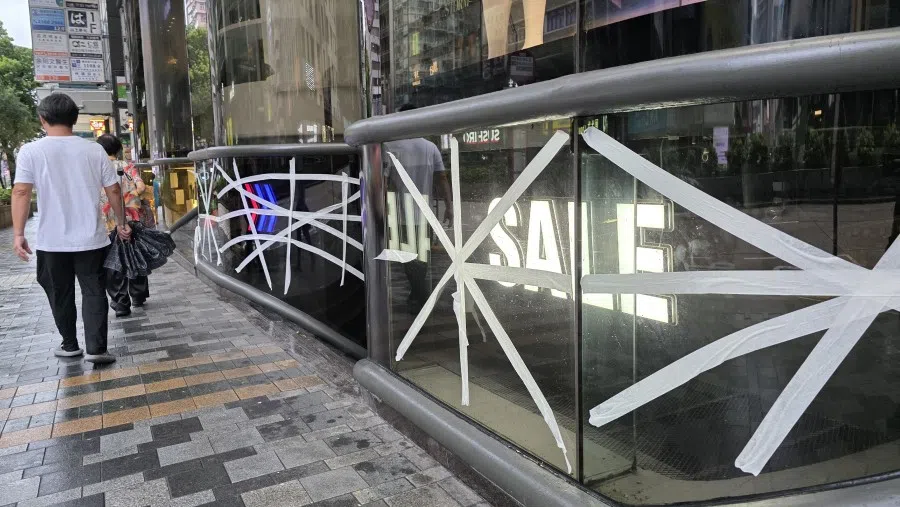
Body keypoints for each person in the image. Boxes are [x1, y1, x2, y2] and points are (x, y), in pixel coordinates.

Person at [11, 94, 130, 364]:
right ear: (75, 119)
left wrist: (19, 234)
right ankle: (97, 349)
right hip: (91, 238)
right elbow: (113, 189)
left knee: (58, 291)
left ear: (42, 119)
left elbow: (20, 191)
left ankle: (69, 345)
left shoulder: (31, 151)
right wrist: (121, 223)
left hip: (51, 241)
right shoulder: (94, 150)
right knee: (93, 291)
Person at [384, 104, 453, 313]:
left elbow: (385, 184)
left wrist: (384, 211)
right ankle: (417, 297)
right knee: (421, 261)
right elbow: (442, 179)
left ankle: (421, 299)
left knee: (408, 259)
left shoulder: (391, 147)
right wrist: (449, 206)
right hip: (426, 215)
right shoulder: (429, 147)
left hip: (401, 214)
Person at [97, 134, 149, 317]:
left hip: (107, 221)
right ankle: (138, 295)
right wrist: (128, 199)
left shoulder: (97, 167)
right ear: (118, 148)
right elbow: (141, 187)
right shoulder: (127, 166)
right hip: (131, 217)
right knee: (134, 256)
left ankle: (120, 302)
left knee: (113, 260)